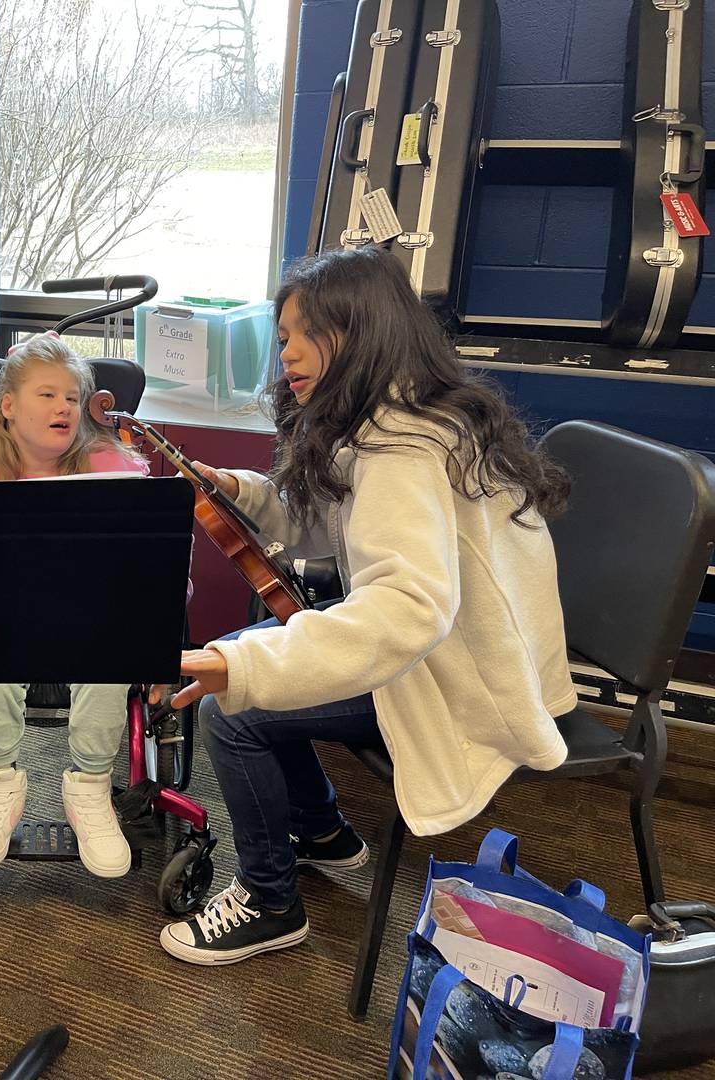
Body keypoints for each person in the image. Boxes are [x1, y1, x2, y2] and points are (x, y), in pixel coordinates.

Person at [155, 246, 577, 966]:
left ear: (356, 331)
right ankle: (323, 832)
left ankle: (270, 902)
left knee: (231, 711)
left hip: (457, 680)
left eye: (298, 334)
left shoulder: (401, 449)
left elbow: (410, 608)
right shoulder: (414, 414)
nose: (283, 353)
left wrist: (244, 664)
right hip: (486, 660)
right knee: (260, 656)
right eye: (280, 335)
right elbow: (336, 522)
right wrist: (245, 489)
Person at [0, 334, 151, 878]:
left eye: (73, 398)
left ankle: (90, 790)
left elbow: (157, 568)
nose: (64, 408)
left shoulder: (115, 467)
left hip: (91, 618)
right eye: (47, 395)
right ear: (8, 406)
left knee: (113, 643)